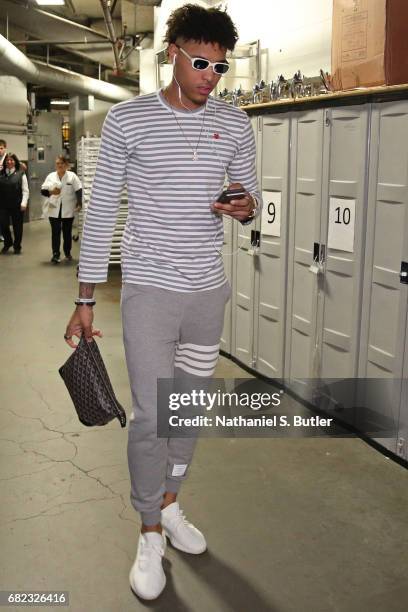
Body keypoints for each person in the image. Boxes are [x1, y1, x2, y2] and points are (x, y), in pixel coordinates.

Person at [64, 3, 261, 601]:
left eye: (219, 67)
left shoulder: (236, 124)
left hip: (208, 292)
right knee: (153, 416)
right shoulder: (129, 122)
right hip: (150, 293)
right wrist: (86, 297)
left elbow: (249, 197)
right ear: (170, 54)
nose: (209, 75)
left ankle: (172, 504)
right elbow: (100, 215)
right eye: (199, 62)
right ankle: (149, 529)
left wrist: (243, 207)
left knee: (189, 410)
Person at [41, 155, 82, 264]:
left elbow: (79, 190)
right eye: (58, 163)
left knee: (67, 233)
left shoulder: (72, 176)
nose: (59, 165)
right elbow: (43, 191)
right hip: (54, 210)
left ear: (66, 165)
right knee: (55, 232)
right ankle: (55, 254)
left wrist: (79, 203)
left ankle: (67, 252)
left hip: (68, 209)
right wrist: (51, 192)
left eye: (62, 163)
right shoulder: (51, 176)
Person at [0, 153, 29, 254]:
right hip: (3, 205)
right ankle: (8, 243)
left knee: (17, 227)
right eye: (7, 160)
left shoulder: (21, 174)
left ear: (15, 162)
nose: (9, 162)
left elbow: (25, 190)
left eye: (11, 160)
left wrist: (24, 203)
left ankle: (17, 246)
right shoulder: (1, 173)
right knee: (3, 224)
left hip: (17, 205)